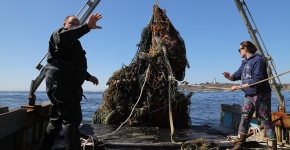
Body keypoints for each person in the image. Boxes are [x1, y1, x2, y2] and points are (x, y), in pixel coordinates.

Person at [40, 13, 102, 150]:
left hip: (64, 81)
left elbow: (72, 64)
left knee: (57, 120)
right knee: (72, 119)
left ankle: (45, 148)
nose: (75, 27)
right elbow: (64, 38)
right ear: (64, 25)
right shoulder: (59, 34)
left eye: (77, 25)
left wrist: (88, 76)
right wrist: (86, 27)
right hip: (61, 81)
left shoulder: (73, 43)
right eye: (72, 24)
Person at [222, 41, 277, 150]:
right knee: (244, 118)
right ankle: (239, 145)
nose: (239, 52)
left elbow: (258, 79)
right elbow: (236, 75)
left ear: (245, 48)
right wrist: (229, 77)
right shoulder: (244, 63)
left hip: (261, 95)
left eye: (239, 50)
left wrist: (240, 87)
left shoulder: (259, 60)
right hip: (249, 95)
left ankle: (272, 148)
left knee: (265, 120)